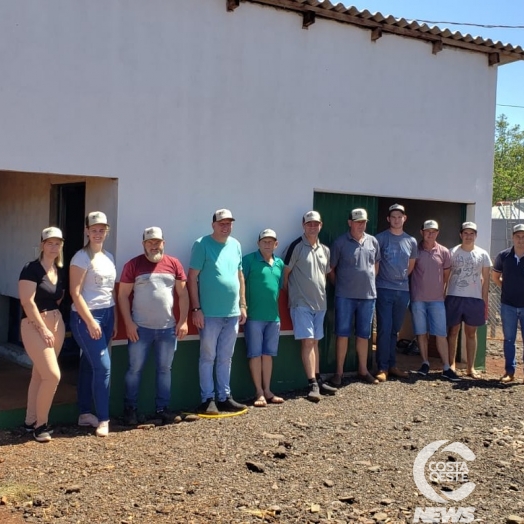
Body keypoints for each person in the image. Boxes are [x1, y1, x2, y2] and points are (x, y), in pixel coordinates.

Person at [119, 227, 189, 425]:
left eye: (157, 241)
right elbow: (123, 295)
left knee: (165, 369)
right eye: (149, 242)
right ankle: (130, 409)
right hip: (140, 329)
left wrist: (183, 321)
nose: (154, 245)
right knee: (134, 369)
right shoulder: (133, 265)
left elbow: (183, 295)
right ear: (143, 244)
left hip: (168, 329)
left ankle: (162, 409)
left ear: (163, 243)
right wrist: (129, 324)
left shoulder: (174, 264)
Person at [188, 209, 248, 415]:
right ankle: (207, 399)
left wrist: (242, 304)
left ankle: (224, 396)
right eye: (222, 223)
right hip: (209, 313)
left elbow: (240, 276)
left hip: (231, 313)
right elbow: (192, 278)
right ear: (213, 224)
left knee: (225, 357)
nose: (226, 226)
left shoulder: (236, 245)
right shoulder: (201, 244)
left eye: (229, 223)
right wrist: (196, 308)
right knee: (208, 356)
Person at [70, 211, 117, 437]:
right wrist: (90, 321)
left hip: (107, 315)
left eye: (102, 229)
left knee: (89, 364)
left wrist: (113, 318)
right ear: (87, 231)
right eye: (94, 229)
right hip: (86, 317)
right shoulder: (81, 257)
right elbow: (75, 293)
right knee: (103, 366)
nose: (98, 233)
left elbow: (109, 291)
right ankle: (104, 419)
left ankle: (85, 413)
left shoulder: (108, 256)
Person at [18, 227, 66, 442]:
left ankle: (30, 421)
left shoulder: (59, 269)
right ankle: (41, 426)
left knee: (40, 374)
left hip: (56, 322)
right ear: (42, 244)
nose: (54, 247)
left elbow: (59, 297)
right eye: (50, 243)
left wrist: (53, 322)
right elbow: (27, 302)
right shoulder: (31, 269)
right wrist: (43, 327)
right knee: (52, 375)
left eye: (57, 243)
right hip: (34, 324)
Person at [283, 210, 337, 402]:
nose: (312, 227)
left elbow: (326, 274)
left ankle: (319, 379)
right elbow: (285, 274)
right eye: (309, 224)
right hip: (301, 304)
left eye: (316, 223)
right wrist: (293, 297)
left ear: (321, 225)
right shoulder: (296, 247)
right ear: (303, 226)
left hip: (320, 304)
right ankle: (312, 383)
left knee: (315, 342)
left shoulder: (325, 250)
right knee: (307, 342)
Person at [329, 208, 380, 386]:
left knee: (363, 335)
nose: (361, 225)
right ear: (350, 222)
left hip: (368, 297)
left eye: (363, 222)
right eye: (357, 221)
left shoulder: (373, 241)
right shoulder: (340, 243)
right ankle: (339, 373)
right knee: (342, 334)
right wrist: (342, 286)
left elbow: (376, 266)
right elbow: (331, 270)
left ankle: (363, 370)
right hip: (345, 297)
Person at [410, 220, 460, 381]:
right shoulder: (415, 250)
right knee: (421, 332)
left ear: (437, 233)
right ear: (421, 232)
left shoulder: (444, 252)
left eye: (433, 231)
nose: (430, 234)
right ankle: (425, 363)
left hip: (437, 300)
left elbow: (446, 276)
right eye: (427, 231)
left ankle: (446, 367)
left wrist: (441, 292)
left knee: (440, 333)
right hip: (418, 299)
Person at [375, 204, 418, 382]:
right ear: (388, 219)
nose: (396, 219)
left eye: (399, 216)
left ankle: (392, 365)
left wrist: (399, 280)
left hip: (403, 291)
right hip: (384, 289)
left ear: (404, 218)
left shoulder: (411, 241)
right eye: (393, 216)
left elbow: (411, 265)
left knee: (395, 330)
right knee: (384, 329)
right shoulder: (380, 239)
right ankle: (382, 367)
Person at [243, 229, 285, 407]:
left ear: (276, 244)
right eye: (264, 241)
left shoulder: (280, 263)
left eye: (271, 242)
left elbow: (280, 287)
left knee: (268, 355)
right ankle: (258, 392)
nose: (267, 244)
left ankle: (267, 390)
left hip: (273, 318)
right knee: (255, 354)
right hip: (253, 317)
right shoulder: (248, 260)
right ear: (258, 243)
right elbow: (240, 284)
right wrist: (242, 306)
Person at [446, 221, 491, 378]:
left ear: (476, 236)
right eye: (466, 233)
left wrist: (484, 300)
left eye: (471, 233)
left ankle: (470, 368)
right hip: (454, 296)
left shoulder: (483, 254)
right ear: (461, 234)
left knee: (471, 333)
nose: (468, 236)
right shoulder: (452, 252)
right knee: (452, 331)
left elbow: (486, 278)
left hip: (474, 299)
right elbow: (446, 276)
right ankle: (451, 364)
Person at [491, 223, 524, 383]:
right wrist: (508, 287)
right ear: (513, 237)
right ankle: (509, 372)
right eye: (518, 236)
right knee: (509, 340)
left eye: (523, 237)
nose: (521, 240)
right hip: (508, 305)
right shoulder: (503, 256)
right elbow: (495, 277)